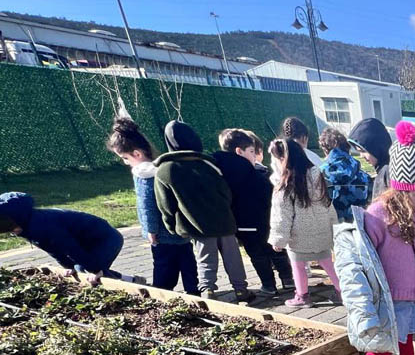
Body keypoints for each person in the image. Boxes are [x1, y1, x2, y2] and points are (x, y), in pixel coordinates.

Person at [351, 121, 415, 355]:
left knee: (406, 336)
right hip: (388, 293)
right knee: (390, 339)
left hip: (409, 290)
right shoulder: (379, 215)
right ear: (401, 190)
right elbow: (364, 252)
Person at [154, 120, 252, 302]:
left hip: (197, 224)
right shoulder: (208, 164)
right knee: (233, 257)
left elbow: (165, 205)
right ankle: (241, 290)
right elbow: (225, 191)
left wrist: (171, 226)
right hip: (224, 220)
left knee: (206, 258)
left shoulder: (165, 170)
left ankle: (208, 291)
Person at [106, 117, 197, 293]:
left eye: (125, 157)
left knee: (164, 265)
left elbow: (147, 206)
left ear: (137, 154)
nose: (125, 162)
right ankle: (194, 291)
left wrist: (151, 230)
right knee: (188, 262)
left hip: (162, 234)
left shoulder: (143, 174)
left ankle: (162, 291)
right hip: (179, 228)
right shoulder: (162, 168)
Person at [212, 128, 289, 297]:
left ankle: (269, 285)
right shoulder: (251, 171)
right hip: (264, 218)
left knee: (257, 254)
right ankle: (288, 279)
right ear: (239, 151)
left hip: (242, 223)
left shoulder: (220, 170)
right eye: (252, 151)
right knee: (275, 249)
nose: (254, 155)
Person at [0, 191, 135, 286]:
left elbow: (70, 247)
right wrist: (68, 266)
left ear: (15, 219)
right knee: (81, 268)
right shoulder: (25, 226)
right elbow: (52, 249)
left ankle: (133, 290)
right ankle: (131, 281)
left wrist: (95, 270)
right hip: (85, 242)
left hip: (105, 238)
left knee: (87, 272)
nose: (13, 233)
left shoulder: (43, 225)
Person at [267, 138, 341, 307]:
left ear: (283, 159)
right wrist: (333, 227)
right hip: (322, 233)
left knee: (298, 266)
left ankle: (302, 296)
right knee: (329, 264)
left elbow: (281, 215)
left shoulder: (285, 185)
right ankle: (342, 292)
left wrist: (278, 239)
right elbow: (328, 206)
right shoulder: (317, 177)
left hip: (298, 237)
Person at [319, 127, 372, 221]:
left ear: (325, 150)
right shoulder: (365, 178)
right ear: (347, 148)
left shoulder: (318, 177)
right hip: (359, 230)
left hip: (331, 231)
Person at [347, 118, 393, 202]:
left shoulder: (388, 171)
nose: (361, 156)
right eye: (359, 152)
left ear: (376, 148)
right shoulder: (375, 169)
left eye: (364, 151)